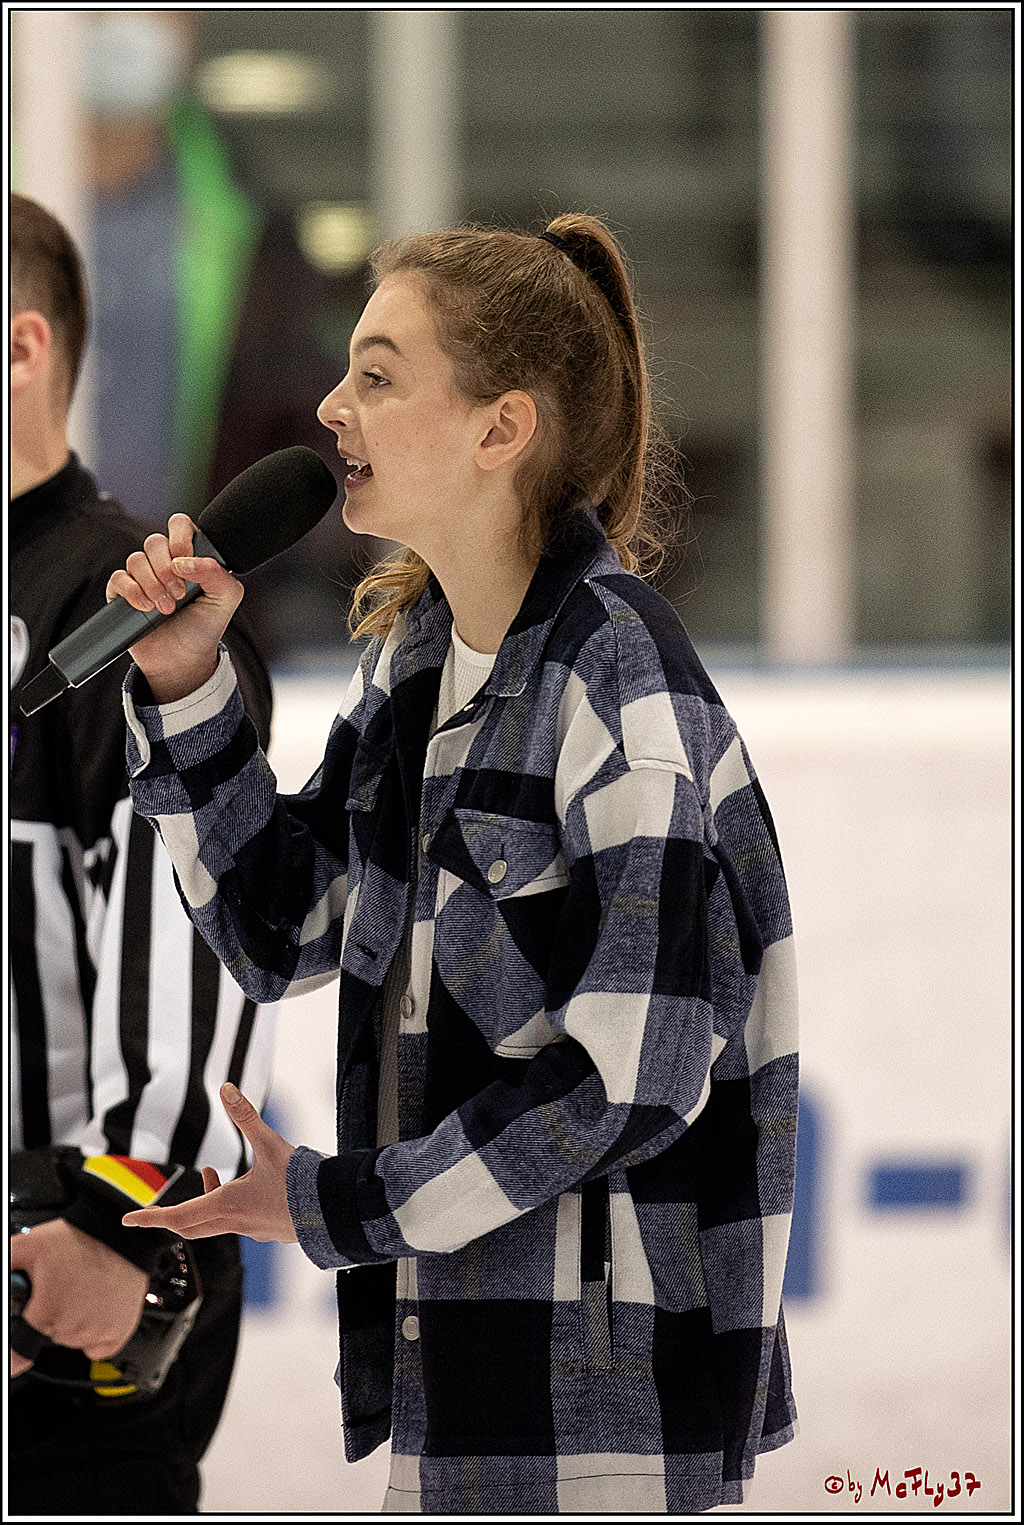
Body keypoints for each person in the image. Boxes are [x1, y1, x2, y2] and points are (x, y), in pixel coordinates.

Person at [115, 213, 799, 1515]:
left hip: (601, 1422)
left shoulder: (620, 684)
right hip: (456, 1385)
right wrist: (192, 683)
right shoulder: (419, 663)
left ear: (502, 427)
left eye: (377, 374)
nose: (329, 405)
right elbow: (283, 926)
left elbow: (628, 1076)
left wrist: (341, 1204)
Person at [9, 192, 275, 1516]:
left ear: (22, 349)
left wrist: (117, 1225)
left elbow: (200, 932)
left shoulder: (130, 608)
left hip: (64, 1345)